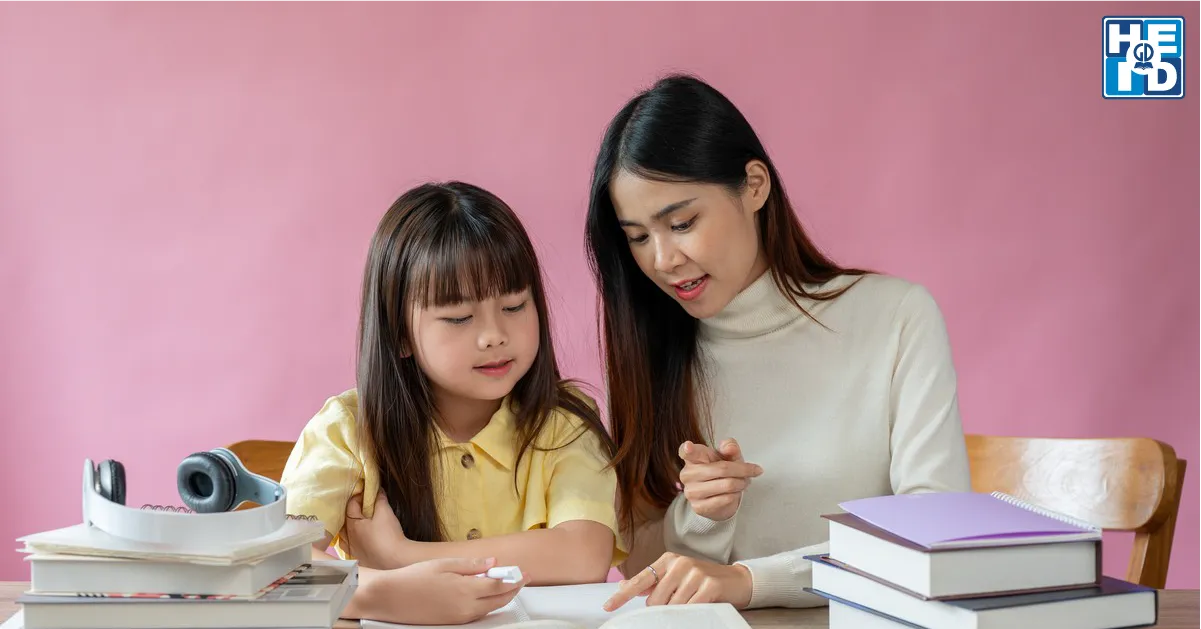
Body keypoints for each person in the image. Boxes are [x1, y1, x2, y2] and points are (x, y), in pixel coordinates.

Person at [584, 74, 972, 611]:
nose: (662, 259)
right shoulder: (652, 348)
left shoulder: (894, 318)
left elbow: (935, 535)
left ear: (755, 186)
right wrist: (702, 517)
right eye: (638, 237)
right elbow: (638, 564)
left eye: (683, 222)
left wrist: (749, 581)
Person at [280, 181, 624, 624]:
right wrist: (380, 593)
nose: (493, 335)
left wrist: (401, 555)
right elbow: (279, 561)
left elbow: (584, 555)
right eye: (459, 317)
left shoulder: (563, 422)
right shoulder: (348, 430)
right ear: (400, 334)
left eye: (515, 306)